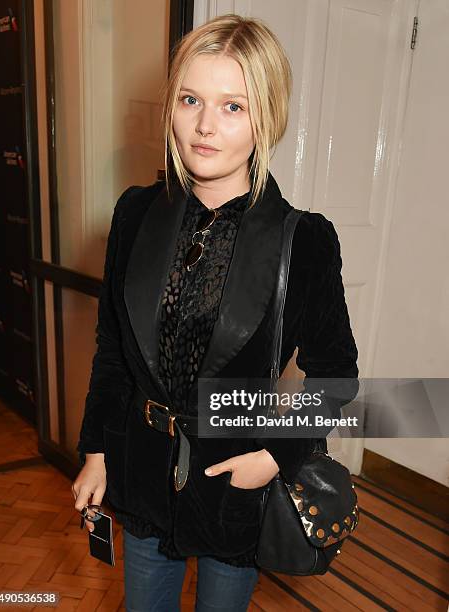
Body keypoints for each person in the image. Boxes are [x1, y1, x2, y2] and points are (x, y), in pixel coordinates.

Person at [72, 13, 359, 612]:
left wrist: (274, 455)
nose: (204, 125)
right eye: (190, 99)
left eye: (234, 106)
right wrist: (97, 449)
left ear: (267, 117)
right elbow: (114, 351)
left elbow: (336, 375)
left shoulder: (302, 240)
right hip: (143, 471)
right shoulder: (134, 214)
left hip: (235, 477)